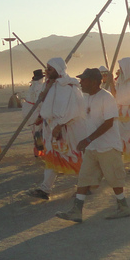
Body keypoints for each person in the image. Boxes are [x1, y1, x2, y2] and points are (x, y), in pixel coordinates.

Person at [55, 68, 130, 222]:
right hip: (92, 147)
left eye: (84, 80)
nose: (81, 82)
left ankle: (123, 207)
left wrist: (88, 139)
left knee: (114, 178)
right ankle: (77, 210)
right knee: (84, 178)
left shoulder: (106, 97)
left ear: (95, 82)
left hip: (108, 146)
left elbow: (109, 123)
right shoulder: (86, 98)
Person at [28, 57, 87, 199]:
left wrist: (60, 125)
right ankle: (45, 189)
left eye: (49, 69)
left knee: (74, 156)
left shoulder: (69, 87)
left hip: (68, 128)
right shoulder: (49, 85)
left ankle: (85, 186)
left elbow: (75, 109)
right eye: (46, 69)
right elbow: (49, 106)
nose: (46, 72)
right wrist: (41, 117)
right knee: (52, 158)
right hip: (51, 128)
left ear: (58, 70)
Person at [25, 68, 46, 157]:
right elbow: (40, 101)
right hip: (35, 111)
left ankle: (38, 151)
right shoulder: (39, 86)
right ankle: (40, 150)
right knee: (39, 132)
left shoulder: (33, 85)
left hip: (30, 111)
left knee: (35, 131)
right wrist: (42, 114)